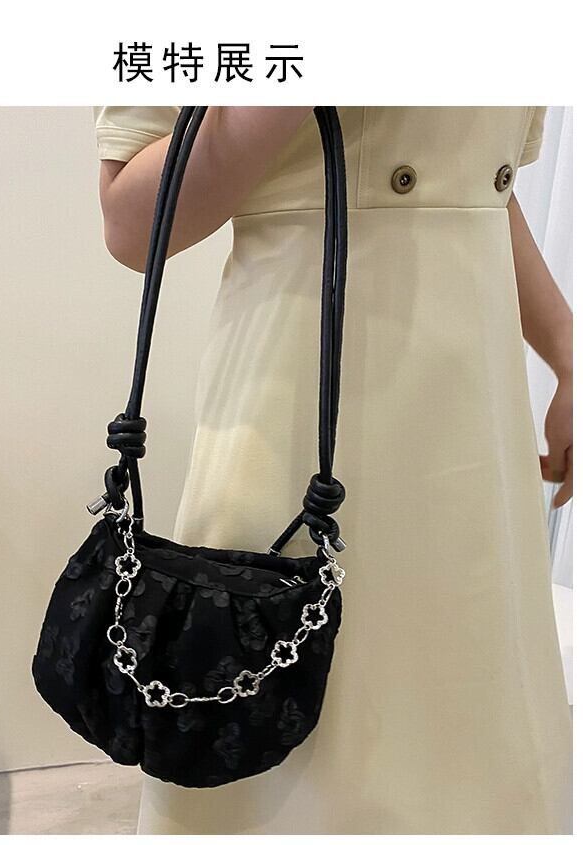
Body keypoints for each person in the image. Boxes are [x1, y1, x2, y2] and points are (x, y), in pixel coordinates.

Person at [91, 106, 572, 835]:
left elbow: (477, 191)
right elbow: (131, 225)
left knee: (466, 726)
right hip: (299, 415)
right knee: (295, 748)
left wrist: (567, 348)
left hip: (470, 422)